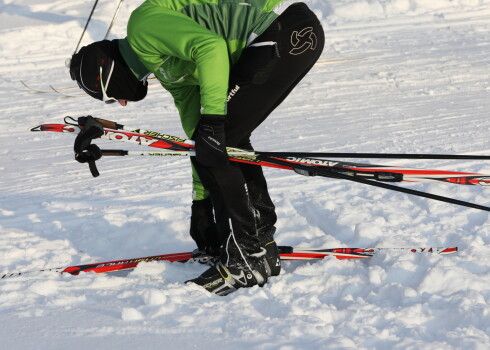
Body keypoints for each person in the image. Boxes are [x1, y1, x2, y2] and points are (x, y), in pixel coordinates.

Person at [69, 0, 324, 295]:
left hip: (285, 34)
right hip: (283, 40)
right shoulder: (164, 66)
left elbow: (211, 48)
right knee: (223, 145)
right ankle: (260, 246)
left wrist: (215, 120)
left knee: (223, 141)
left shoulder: (142, 27)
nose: (121, 103)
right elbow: (198, 141)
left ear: (108, 74)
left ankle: (244, 261)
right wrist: (201, 203)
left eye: (112, 97)